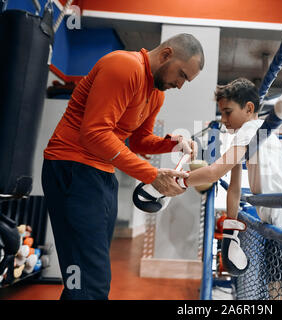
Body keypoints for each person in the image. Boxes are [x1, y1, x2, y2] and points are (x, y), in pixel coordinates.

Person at [41, 33, 204, 300]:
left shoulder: (156, 94)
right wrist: (152, 175)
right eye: (182, 75)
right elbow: (94, 133)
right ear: (166, 55)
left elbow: (139, 141)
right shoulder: (124, 67)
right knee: (91, 282)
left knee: (85, 276)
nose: (180, 84)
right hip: (72, 166)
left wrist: (172, 144)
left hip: (102, 174)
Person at [176, 78, 282, 299]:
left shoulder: (252, 128)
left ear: (248, 108)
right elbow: (234, 188)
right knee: (276, 290)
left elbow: (214, 172)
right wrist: (230, 230)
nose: (223, 120)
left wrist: (177, 181)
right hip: (278, 220)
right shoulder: (251, 135)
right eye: (221, 113)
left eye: (228, 112)